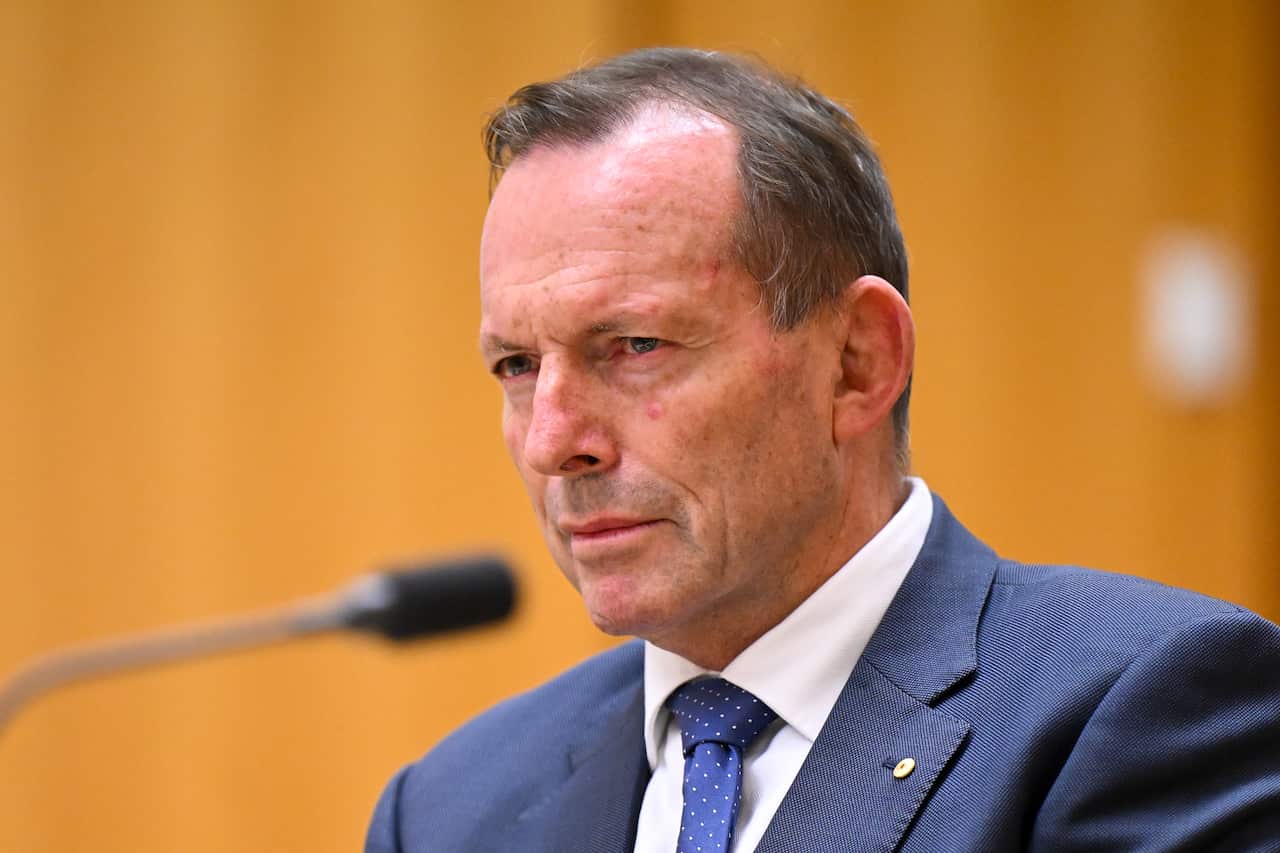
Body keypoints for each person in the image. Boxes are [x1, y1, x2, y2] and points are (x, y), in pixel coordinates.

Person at [366, 48, 1280, 852]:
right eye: (518, 365)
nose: (554, 441)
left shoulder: (1141, 711)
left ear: (857, 362)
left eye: (635, 346)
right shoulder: (449, 810)